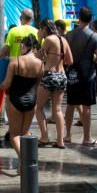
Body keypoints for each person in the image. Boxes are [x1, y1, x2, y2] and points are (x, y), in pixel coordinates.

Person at [64, 8, 97, 147]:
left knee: (71, 104)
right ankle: (86, 138)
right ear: (91, 19)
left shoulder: (69, 34)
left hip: (73, 73)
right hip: (88, 74)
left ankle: (67, 135)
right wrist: (91, 57)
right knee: (86, 106)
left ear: (78, 18)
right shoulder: (94, 36)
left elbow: (66, 56)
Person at [1, 34, 43, 155]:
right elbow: (38, 85)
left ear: (23, 45)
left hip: (15, 100)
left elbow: (7, 84)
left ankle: (23, 159)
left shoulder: (15, 61)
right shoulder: (40, 64)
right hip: (31, 101)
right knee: (24, 133)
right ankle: (24, 165)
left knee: (14, 135)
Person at [35, 18, 72, 149]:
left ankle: (44, 137)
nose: (40, 32)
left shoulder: (48, 40)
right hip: (62, 76)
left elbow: (37, 56)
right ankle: (60, 141)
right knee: (57, 109)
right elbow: (70, 61)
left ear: (45, 29)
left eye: (41, 30)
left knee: (38, 107)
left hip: (49, 75)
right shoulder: (64, 40)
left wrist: (39, 40)